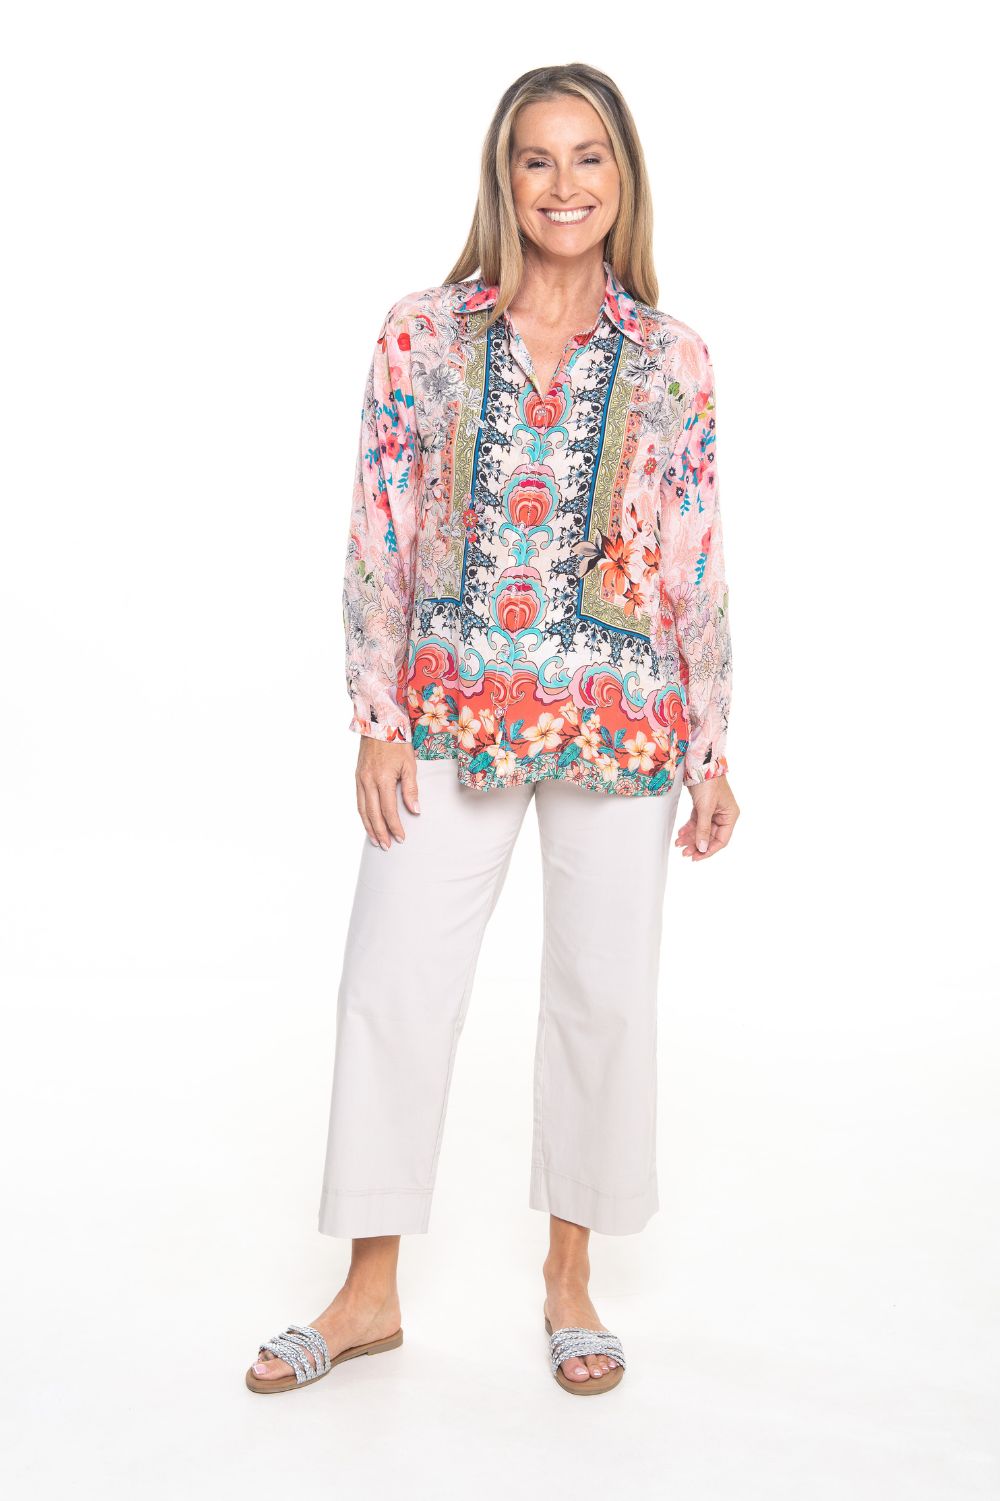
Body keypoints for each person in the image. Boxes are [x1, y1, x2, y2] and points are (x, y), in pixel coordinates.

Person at [245, 61, 739, 1399]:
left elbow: (692, 555)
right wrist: (376, 713)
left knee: (601, 993)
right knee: (391, 983)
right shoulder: (425, 334)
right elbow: (379, 528)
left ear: (622, 177)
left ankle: (569, 1279)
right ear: (503, 177)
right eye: (537, 158)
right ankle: (368, 1292)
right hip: (451, 707)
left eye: (589, 157)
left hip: (623, 719)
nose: (564, 185)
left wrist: (710, 747)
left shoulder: (674, 357)